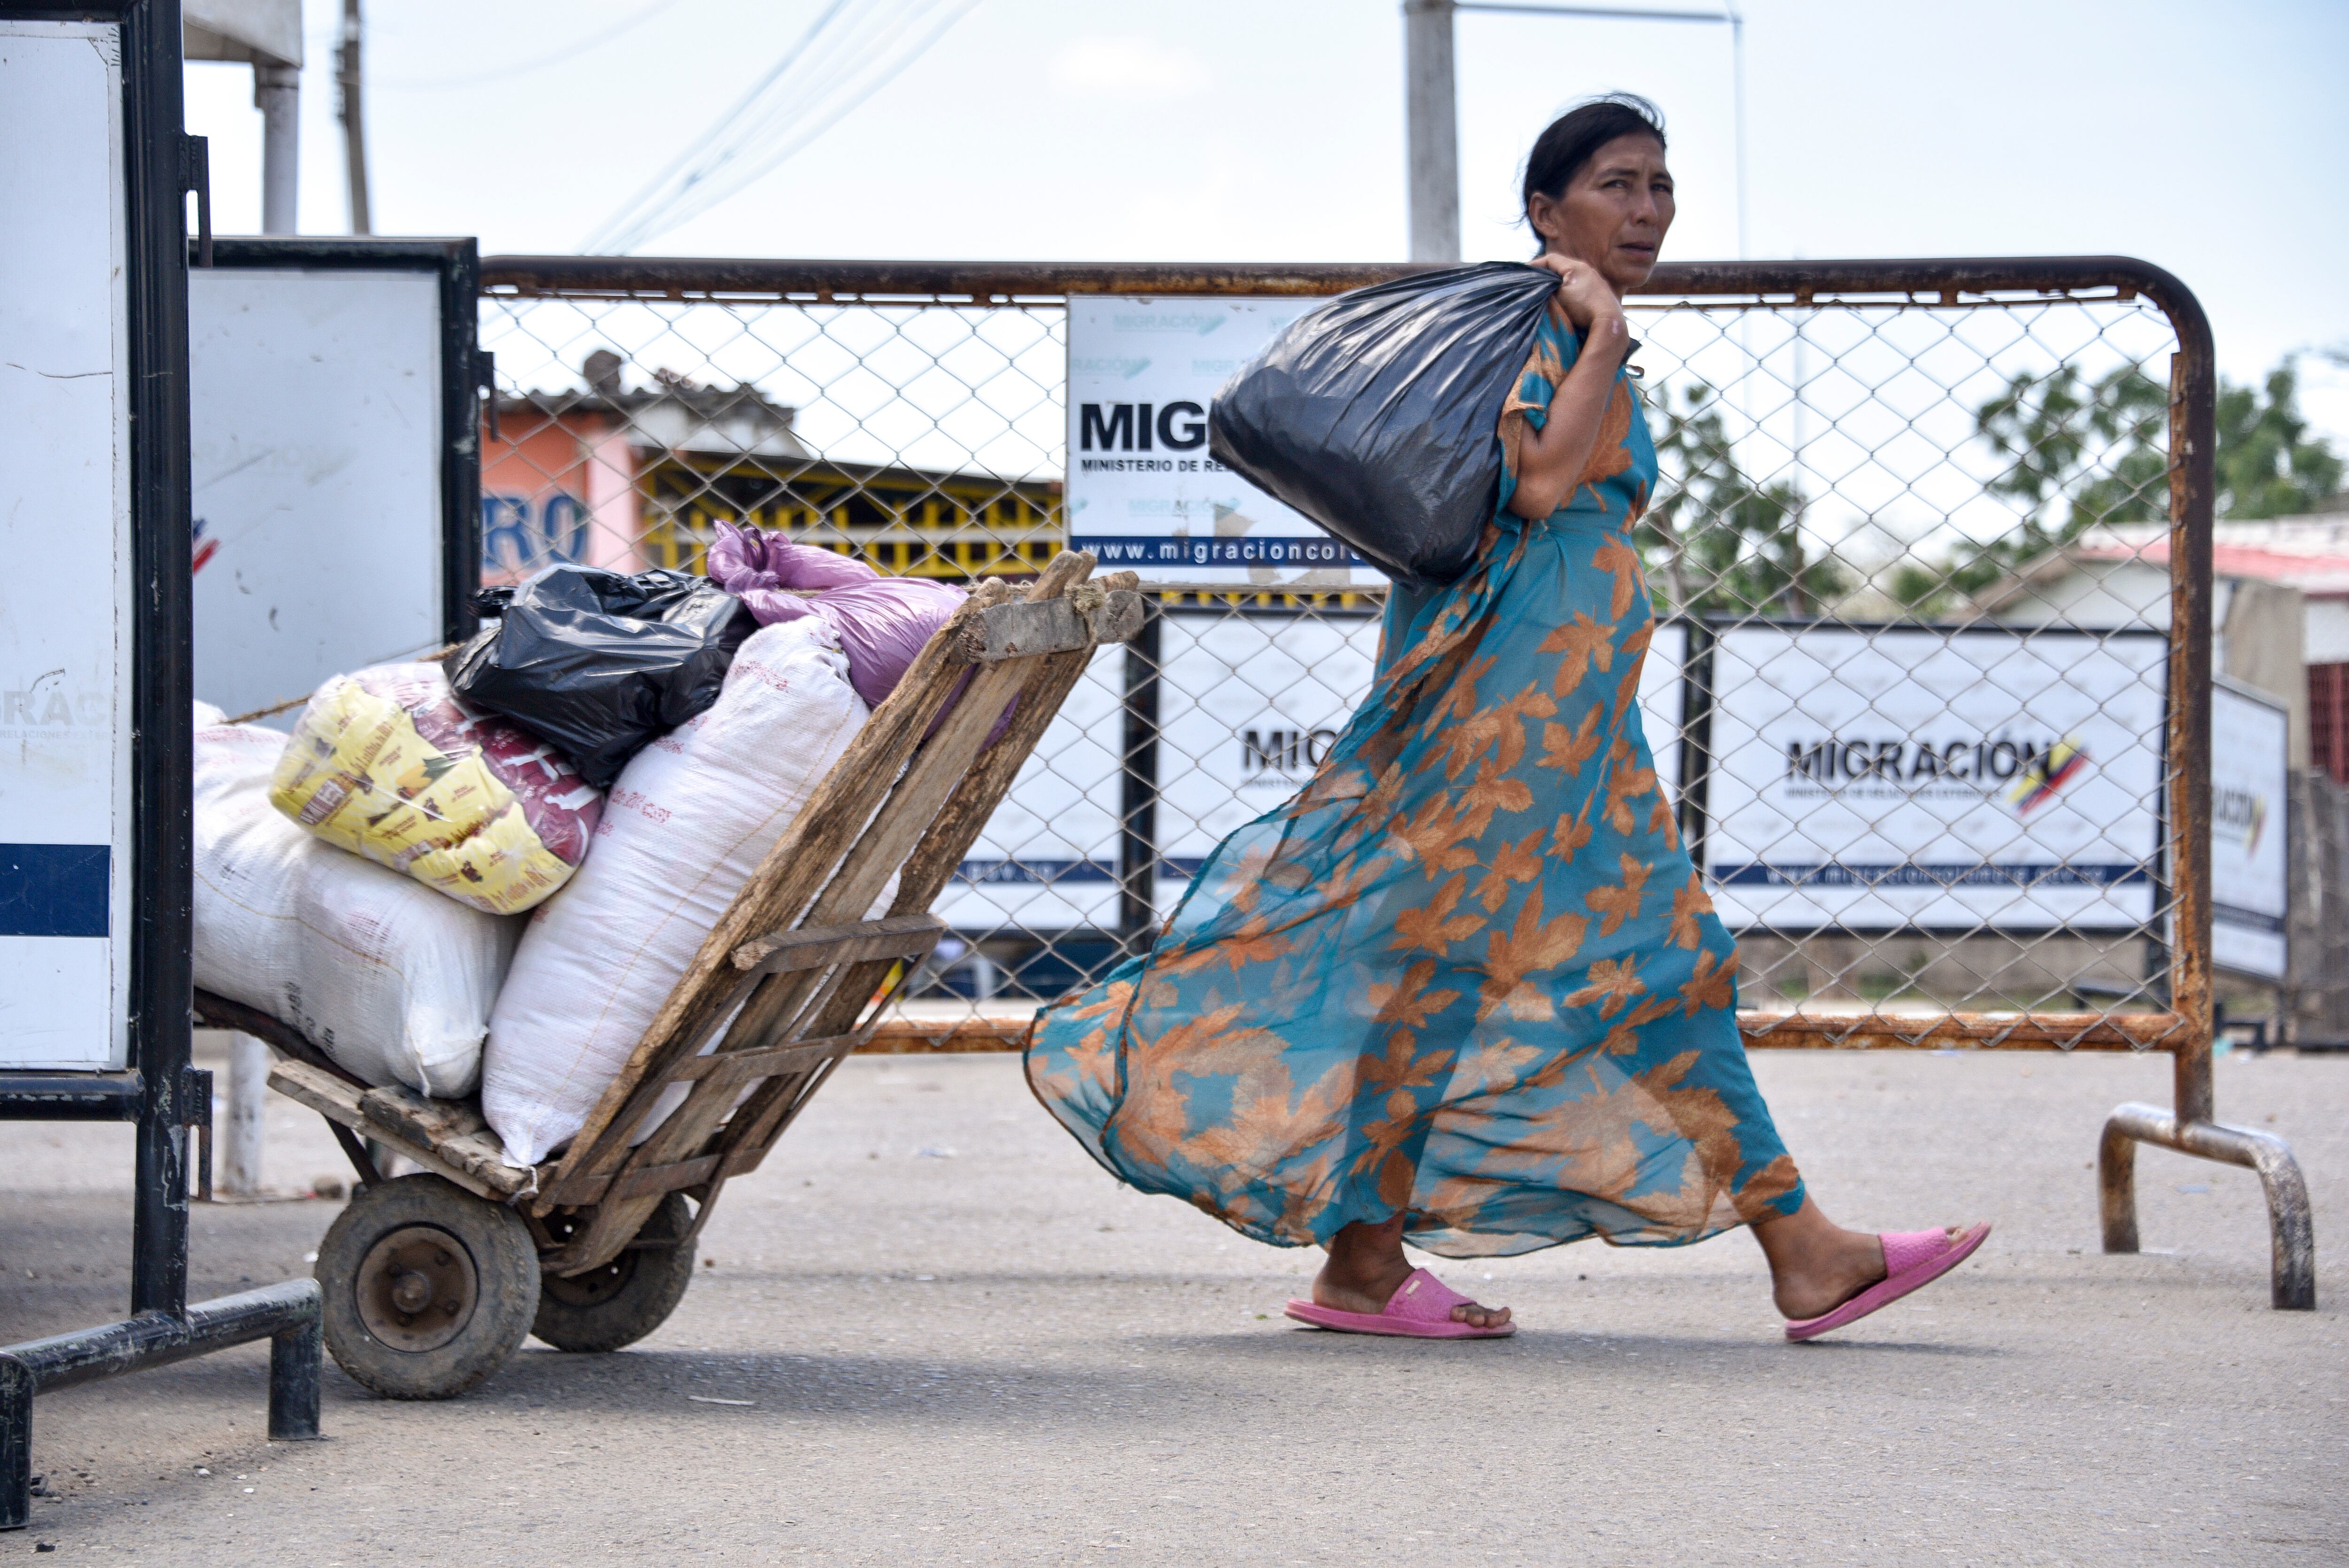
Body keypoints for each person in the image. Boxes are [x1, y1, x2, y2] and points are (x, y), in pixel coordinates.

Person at [1027, 94, 1986, 1342]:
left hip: (1561, 713)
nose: (1648, 209)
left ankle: (1379, 1261)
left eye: (1660, 185)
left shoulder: (1558, 327)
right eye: (1618, 185)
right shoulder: (1552, 332)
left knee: (1502, 972)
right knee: (1616, 964)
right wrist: (1603, 338)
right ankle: (1798, 1248)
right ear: (1548, 212)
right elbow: (1537, 485)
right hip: (1512, 714)